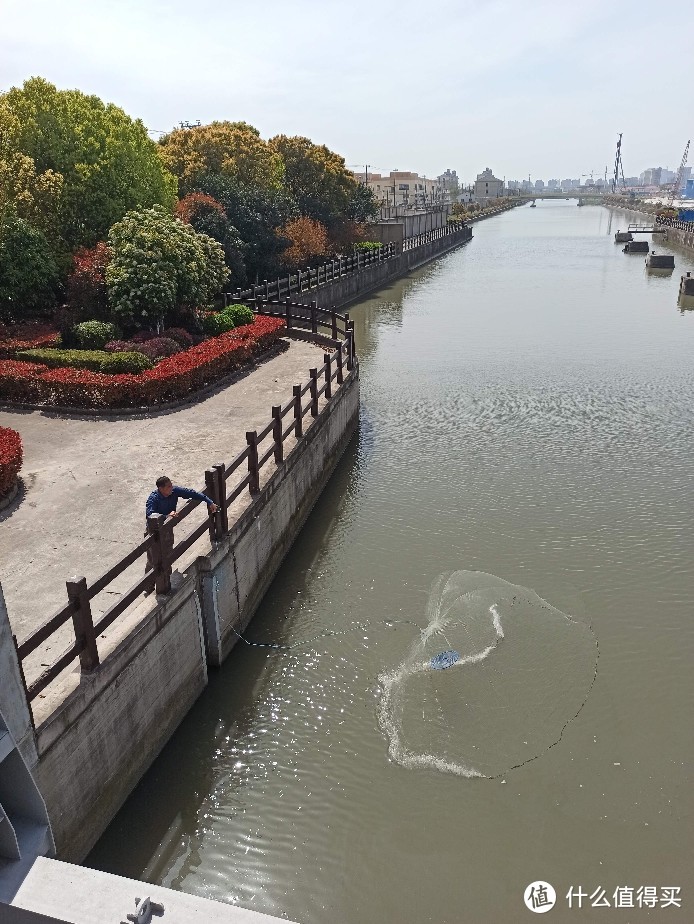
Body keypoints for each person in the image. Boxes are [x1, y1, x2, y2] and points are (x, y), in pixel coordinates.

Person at [145, 476, 218, 575]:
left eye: (171, 485)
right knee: (153, 560)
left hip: (167, 529)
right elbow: (150, 514)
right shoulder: (153, 498)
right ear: (161, 489)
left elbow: (191, 493)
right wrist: (166, 516)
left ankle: (168, 579)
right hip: (153, 532)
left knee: (168, 556)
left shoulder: (174, 491)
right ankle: (149, 587)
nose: (171, 488)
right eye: (168, 487)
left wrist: (209, 501)